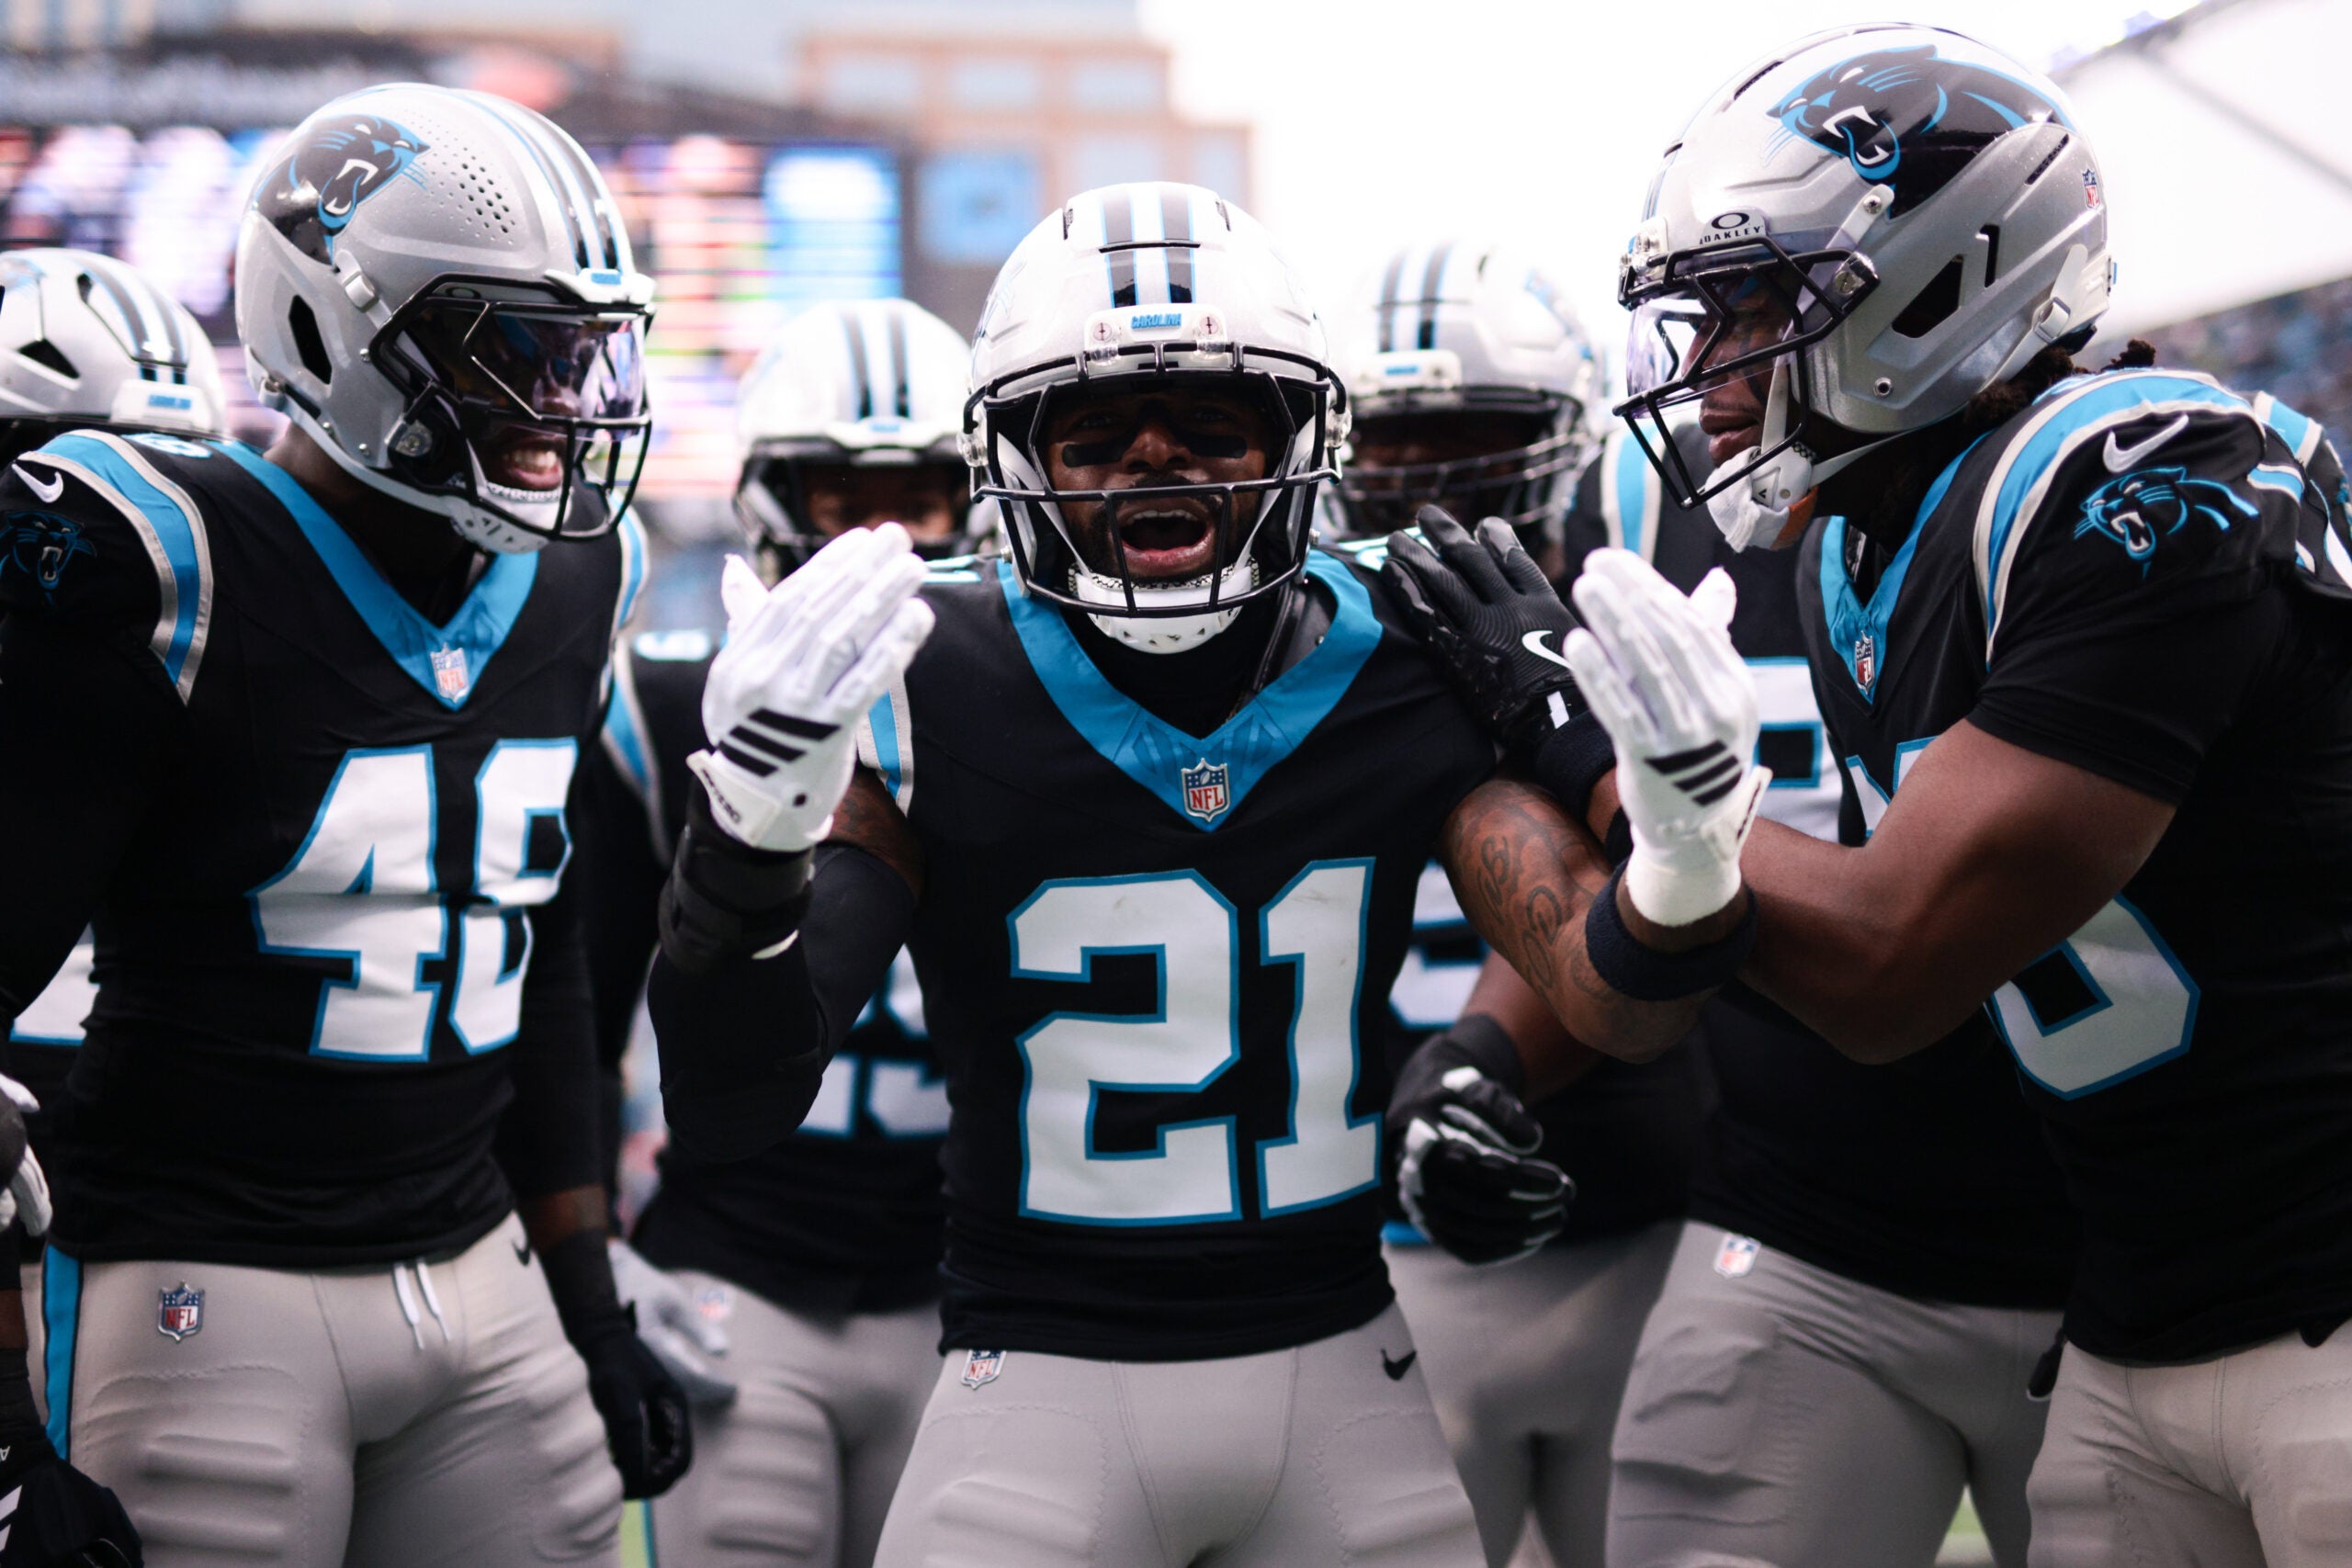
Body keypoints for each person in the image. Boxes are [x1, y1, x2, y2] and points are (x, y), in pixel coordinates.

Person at [1387, 24, 2352, 1568]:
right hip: (2129, 1307)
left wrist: (1576, 736)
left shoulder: (2151, 480)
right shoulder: (1859, 536)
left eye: (1752, 306)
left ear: (1944, 278)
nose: (1706, 368)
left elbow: (1892, 962)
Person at [642, 181, 1642, 1568]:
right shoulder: (928, 677)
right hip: (1036, 1383)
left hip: (1347, 1366)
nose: (1155, 459)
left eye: (1213, 422)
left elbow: (1623, 989)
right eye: (1096, 429)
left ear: (1300, 437)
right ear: (1015, 457)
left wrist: (1659, 803)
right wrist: (744, 840)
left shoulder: (1410, 653)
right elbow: (733, 1093)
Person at [0, 83, 691, 1567]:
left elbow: (544, 956)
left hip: (477, 1264)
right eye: (512, 354)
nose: (560, 408)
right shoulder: (174, 560)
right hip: (203, 1280)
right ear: (333, 328)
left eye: (579, 357)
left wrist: (591, 1295)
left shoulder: (581, 582)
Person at [575, 298, 974, 1568]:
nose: (889, 536)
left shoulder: (1026, 699)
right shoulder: (669, 696)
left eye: (923, 491)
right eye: (844, 493)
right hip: (732, 1277)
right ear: (766, 498)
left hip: (963, 1294)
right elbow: (573, 1009)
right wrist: (593, 1258)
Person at [1328, 243, 1702, 1568]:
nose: (1425, 486)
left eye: (1472, 439)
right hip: (1378, 1260)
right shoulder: (1294, 657)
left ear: (1556, 445)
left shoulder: (1638, 614)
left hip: (1661, 1236)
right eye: (1389, 447)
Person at [0, 247, 233, 1425]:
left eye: (174, 481)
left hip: (181, 1264)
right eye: (64, 483)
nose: (119, 536)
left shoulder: (230, 689)